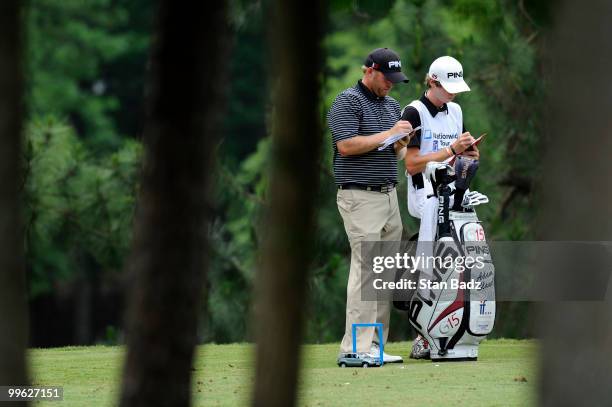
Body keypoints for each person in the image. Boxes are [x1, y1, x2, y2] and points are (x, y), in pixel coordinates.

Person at [327, 47, 411, 364]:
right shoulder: (346, 101)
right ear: (369, 71)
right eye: (386, 78)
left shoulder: (392, 106)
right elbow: (346, 146)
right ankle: (354, 348)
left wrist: (401, 142)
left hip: (389, 197)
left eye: (394, 80)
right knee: (366, 271)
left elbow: (396, 153)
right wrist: (389, 134)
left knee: (384, 274)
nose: (390, 85)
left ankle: (374, 346)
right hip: (359, 197)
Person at [400, 56, 479, 359]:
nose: (453, 94)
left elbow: (463, 154)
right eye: (448, 87)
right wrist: (450, 150)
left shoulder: (456, 110)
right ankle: (422, 333)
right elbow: (410, 164)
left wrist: (469, 153)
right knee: (429, 265)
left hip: (453, 192)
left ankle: (451, 329)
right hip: (425, 197)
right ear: (432, 82)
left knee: (460, 263)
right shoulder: (414, 112)